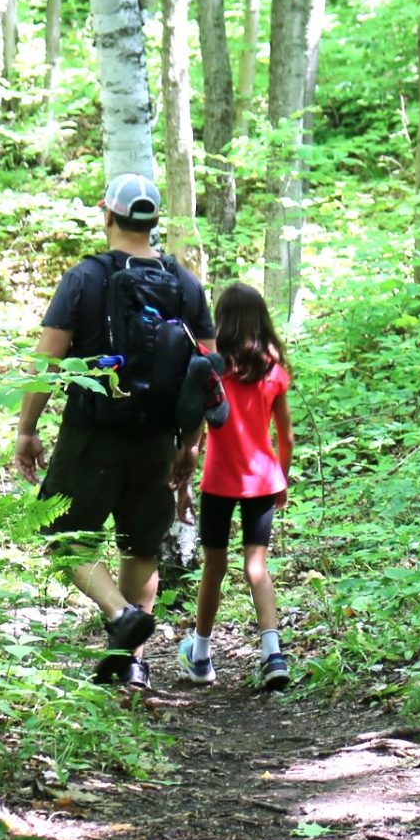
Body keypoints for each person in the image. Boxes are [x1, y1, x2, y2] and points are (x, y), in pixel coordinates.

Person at [14, 173, 215, 692]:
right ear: (152, 222)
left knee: (59, 533)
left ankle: (119, 613)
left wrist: (27, 429)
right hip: (158, 438)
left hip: (92, 430)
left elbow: (48, 359)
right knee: (140, 547)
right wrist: (190, 445)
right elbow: (207, 373)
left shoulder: (85, 277)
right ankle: (133, 665)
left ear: (109, 215)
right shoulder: (186, 284)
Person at [179, 282, 295, 693]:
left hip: (220, 481)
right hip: (263, 480)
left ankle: (202, 654)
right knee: (256, 566)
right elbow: (286, 436)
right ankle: (273, 653)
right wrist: (280, 478)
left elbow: (194, 429)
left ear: (222, 320)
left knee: (214, 565)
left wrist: (184, 480)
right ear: (261, 319)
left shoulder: (212, 369)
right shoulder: (274, 370)